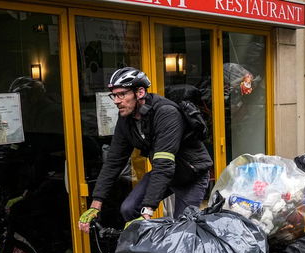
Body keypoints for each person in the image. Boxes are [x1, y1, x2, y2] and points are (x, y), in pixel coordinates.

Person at [78, 67, 213, 232]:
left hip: (191, 175)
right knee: (128, 209)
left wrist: (148, 211)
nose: (116, 101)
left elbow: (164, 165)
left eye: (122, 94)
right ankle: (148, 251)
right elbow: (113, 162)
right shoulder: (126, 119)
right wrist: (96, 205)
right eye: (114, 95)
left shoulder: (166, 113)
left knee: (182, 229)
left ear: (140, 92)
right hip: (163, 174)